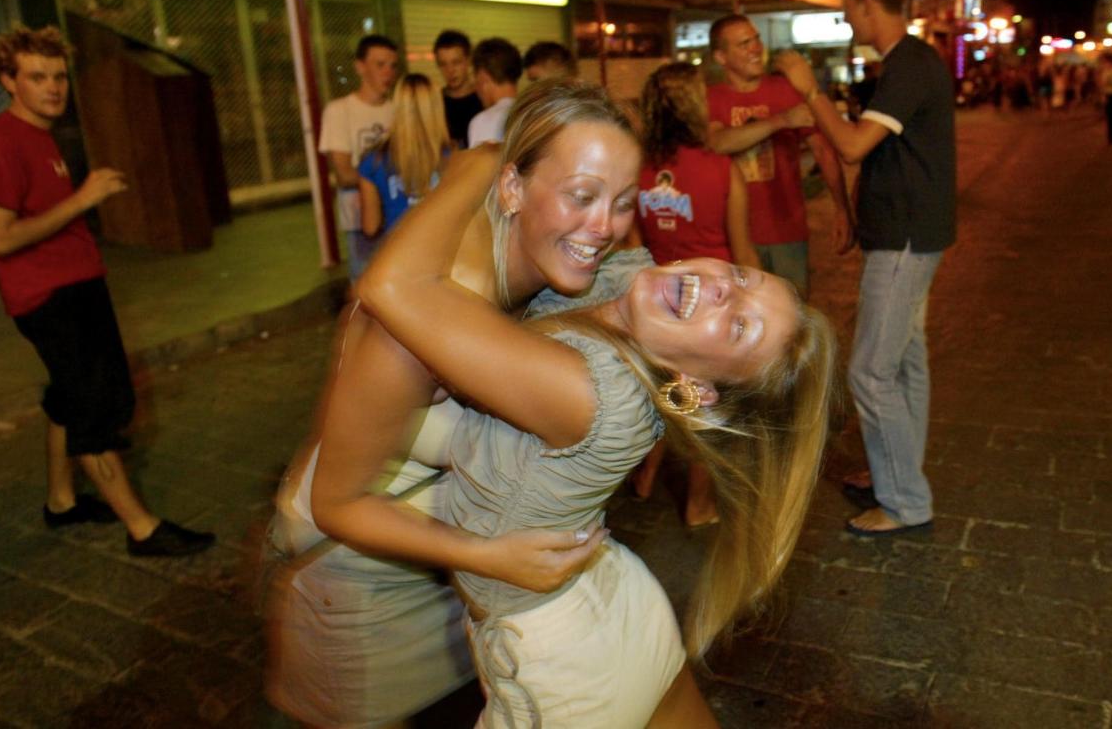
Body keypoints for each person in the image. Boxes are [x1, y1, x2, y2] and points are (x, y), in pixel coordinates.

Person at [358, 120, 836, 727]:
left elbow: (390, 286)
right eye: (742, 277)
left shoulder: (591, 391)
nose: (722, 291)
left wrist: (478, 167)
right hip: (612, 594)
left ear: (694, 389)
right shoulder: (621, 283)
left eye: (740, 327)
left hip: (560, 661)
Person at [266, 80, 642, 728]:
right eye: (581, 197)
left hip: (447, 574)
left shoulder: (531, 257)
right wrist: (489, 556)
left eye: (624, 202)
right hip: (362, 587)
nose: (604, 227)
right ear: (513, 188)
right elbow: (337, 503)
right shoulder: (424, 318)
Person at [0, 25, 214, 557]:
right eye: (37, 77)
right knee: (96, 405)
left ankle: (62, 502)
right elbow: (1, 239)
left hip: (76, 286)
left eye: (58, 76)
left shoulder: (39, 135)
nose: (53, 87)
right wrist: (82, 200)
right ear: (9, 81)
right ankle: (142, 528)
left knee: (68, 396)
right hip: (48, 298)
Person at [775, 0, 955, 537]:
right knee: (904, 365)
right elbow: (876, 150)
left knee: (871, 372)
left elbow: (852, 146)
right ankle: (895, 474)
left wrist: (809, 89)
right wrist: (854, 213)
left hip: (905, 239)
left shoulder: (908, 64)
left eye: (848, 7)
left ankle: (904, 501)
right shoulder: (907, 64)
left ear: (867, 7)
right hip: (907, 232)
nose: (846, 17)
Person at [627, 61, 761, 528]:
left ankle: (646, 472)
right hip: (711, 305)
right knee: (710, 406)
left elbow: (632, 241)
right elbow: (743, 250)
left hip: (662, 299)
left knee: (669, 388)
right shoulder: (722, 169)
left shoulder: (638, 171)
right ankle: (699, 505)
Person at [706, 14, 853, 298]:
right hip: (732, 235)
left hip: (786, 232)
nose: (755, 48)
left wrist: (842, 209)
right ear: (721, 57)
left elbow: (823, 151)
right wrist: (781, 121)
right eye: (744, 43)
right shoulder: (712, 99)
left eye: (756, 39)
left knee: (793, 317)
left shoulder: (785, 90)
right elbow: (717, 142)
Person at [319, 34, 399, 280]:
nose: (388, 72)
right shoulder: (339, 110)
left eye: (392, 66)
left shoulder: (397, 110)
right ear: (360, 67)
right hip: (359, 216)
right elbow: (343, 173)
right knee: (365, 284)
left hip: (396, 214)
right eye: (380, 64)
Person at [357, 73, 454, 238]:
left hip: (398, 255)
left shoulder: (373, 161)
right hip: (443, 252)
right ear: (436, 109)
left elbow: (370, 227)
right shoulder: (454, 157)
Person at [467, 37, 521, 147]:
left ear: (483, 77)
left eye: (475, 79)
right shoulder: (535, 114)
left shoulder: (481, 122)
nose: (475, 88)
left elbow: (480, 164)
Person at [433, 29, 482, 148]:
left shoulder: (483, 98)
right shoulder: (434, 102)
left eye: (456, 62)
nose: (450, 71)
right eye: (443, 64)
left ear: (468, 61)